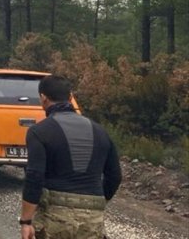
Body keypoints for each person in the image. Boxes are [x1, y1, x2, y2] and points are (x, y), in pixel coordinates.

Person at [20, 75, 122, 239]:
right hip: (92, 219)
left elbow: (35, 176)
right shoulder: (101, 131)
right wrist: (95, 201)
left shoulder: (39, 131)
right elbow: (115, 176)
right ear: (70, 97)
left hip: (54, 217)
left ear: (43, 98)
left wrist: (26, 221)